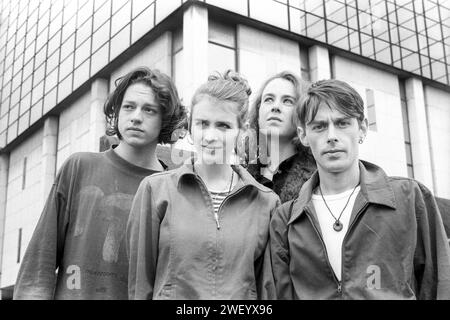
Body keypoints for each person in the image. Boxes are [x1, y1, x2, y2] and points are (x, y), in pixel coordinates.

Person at [13, 67, 187, 299]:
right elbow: (38, 267)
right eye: (128, 106)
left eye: (149, 110)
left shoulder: (174, 190)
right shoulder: (79, 167)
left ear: (165, 119)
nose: (136, 116)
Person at [270, 79, 450, 299]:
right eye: (319, 126)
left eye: (343, 123)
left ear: (362, 128)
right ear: (303, 135)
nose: (332, 136)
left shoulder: (410, 198)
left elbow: (440, 284)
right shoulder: (286, 219)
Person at [126, 70, 279, 300]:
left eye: (223, 126)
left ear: (243, 131)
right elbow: (140, 285)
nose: (210, 136)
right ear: (190, 126)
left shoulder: (266, 203)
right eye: (202, 123)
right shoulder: (155, 191)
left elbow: (267, 291)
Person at [247, 71, 316, 203]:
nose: (276, 107)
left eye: (287, 101)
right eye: (268, 99)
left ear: (303, 113)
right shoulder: (239, 174)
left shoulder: (318, 178)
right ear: (258, 110)